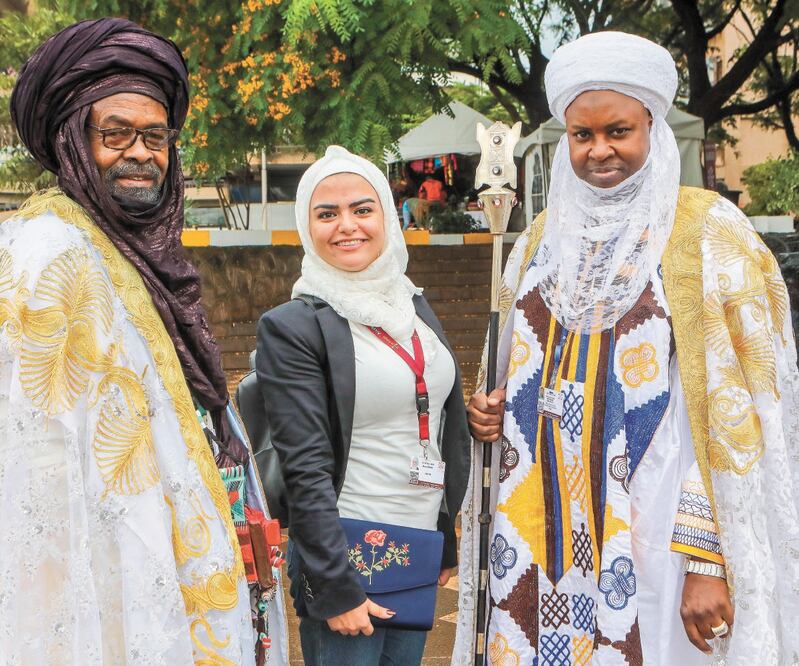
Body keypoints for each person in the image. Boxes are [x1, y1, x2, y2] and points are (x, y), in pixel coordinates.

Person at [453, 32, 799, 665]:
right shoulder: (537, 242)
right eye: (582, 136)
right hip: (539, 537)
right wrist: (490, 411)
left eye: (618, 130)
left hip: (657, 526)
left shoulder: (706, 234)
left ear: (652, 128)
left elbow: (735, 415)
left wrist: (706, 556)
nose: (599, 150)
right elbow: (513, 374)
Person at [1, 18, 286, 664]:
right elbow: (31, 487)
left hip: (182, 596)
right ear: (74, 139)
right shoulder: (47, 255)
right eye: (116, 134)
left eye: (155, 137)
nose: (140, 153)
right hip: (108, 611)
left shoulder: (144, 261)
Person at [256, 145, 471, 665]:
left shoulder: (410, 303)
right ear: (308, 228)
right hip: (347, 555)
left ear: (385, 216)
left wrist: (442, 538)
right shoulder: (293, 326)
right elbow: (304, 465)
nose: (346, 226)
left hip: (414, 549)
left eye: (362, 209)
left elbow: (438, 420)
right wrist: (335, 586)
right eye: (326, 214)